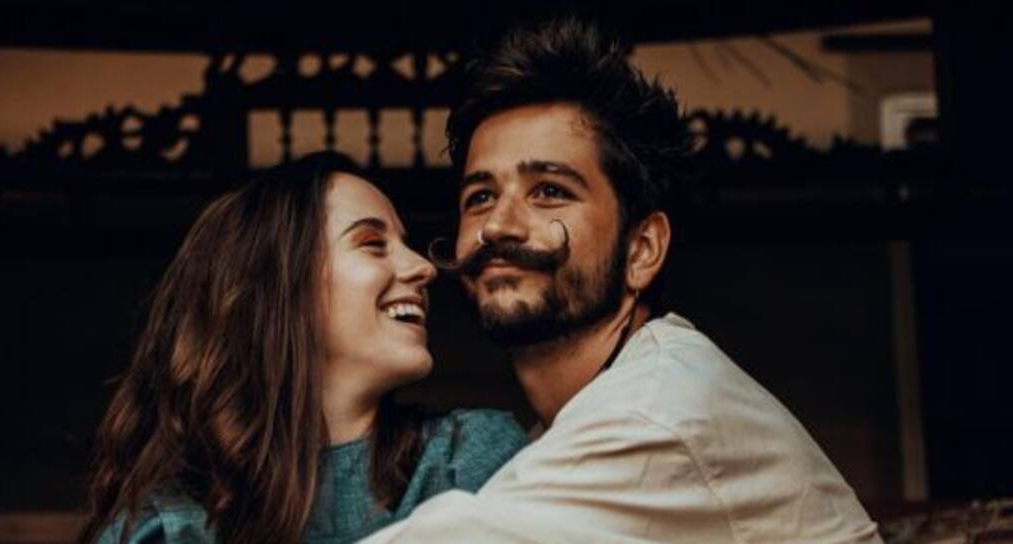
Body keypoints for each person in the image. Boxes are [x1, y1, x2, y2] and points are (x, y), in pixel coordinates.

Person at [362, 17, 881, 543]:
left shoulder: (658, 413)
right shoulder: (582, 420)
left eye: (549, 191)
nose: (497, 225)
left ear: (642, 249)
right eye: (480, 197)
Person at [80, 152, 526, 544]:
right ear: (279, 288)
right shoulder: (168, 525)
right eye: (373, 245)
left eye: (404, 244)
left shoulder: (466, 459)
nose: (423, 267)